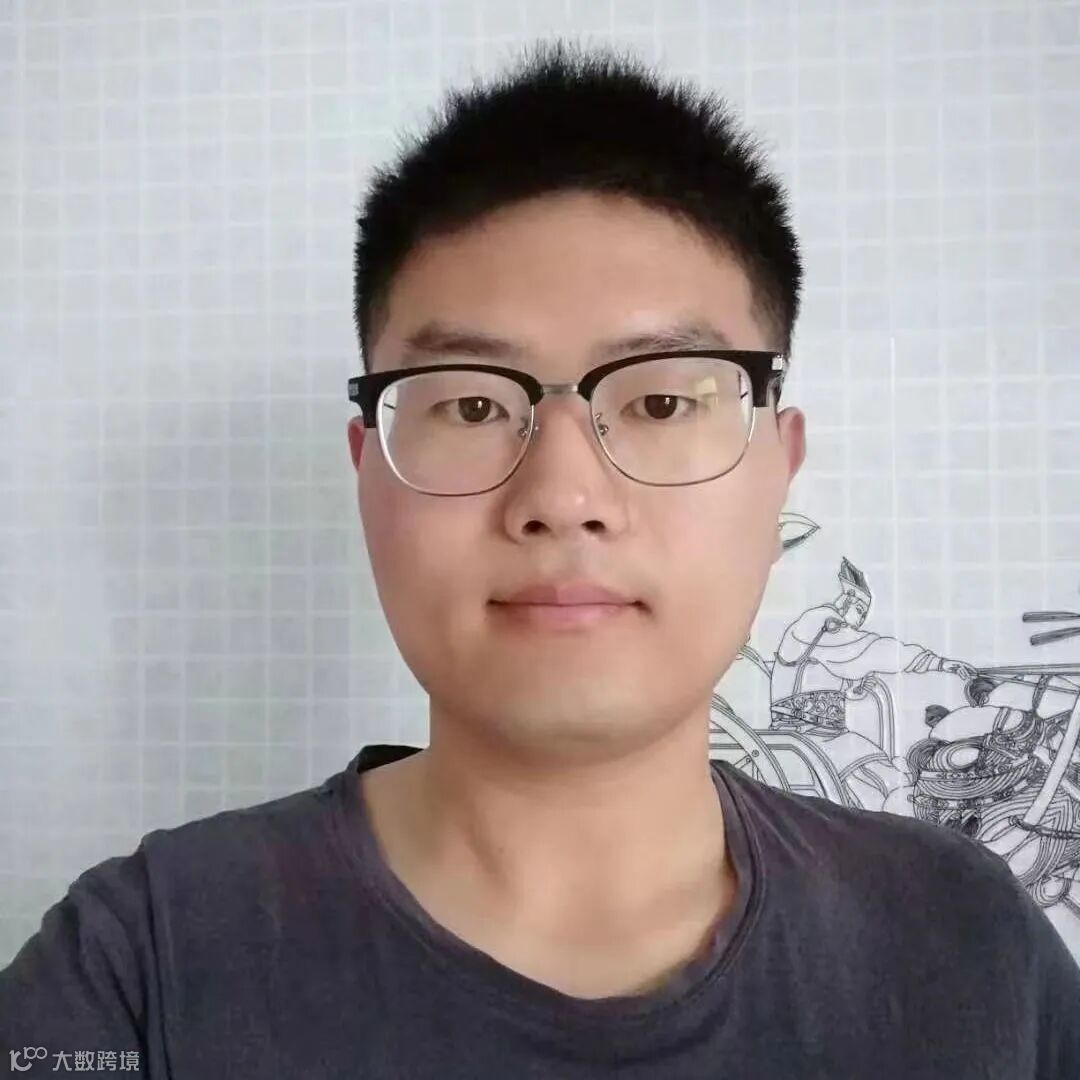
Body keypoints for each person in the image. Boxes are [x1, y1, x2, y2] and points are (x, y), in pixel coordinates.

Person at [3, 40, 1079, 1079]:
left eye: (663, 401)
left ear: (777, 467)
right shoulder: (140, 967)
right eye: (473, 406)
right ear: (368, 471)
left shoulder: (966, 943)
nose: (563, 498)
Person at [769, 557, 977, 811]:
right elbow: (872, 649)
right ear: (847, 601)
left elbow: (843, 665)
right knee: (875, 778)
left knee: (880, 769)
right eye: (860, 610)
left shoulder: (825, 633)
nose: (860, 620)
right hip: (805, 734)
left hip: (822, 734)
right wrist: (937, 663)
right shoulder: (819, 623)